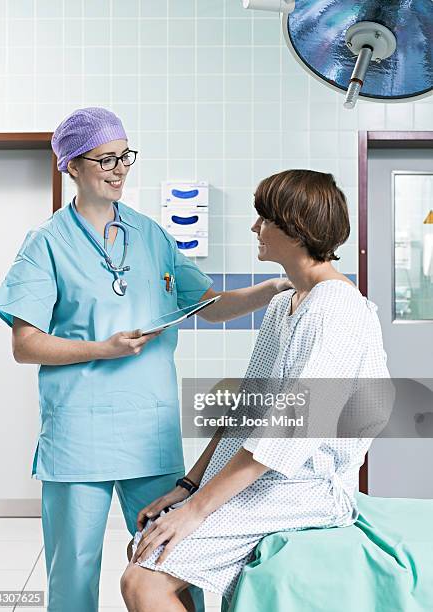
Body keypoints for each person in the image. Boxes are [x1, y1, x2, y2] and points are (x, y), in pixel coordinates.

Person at [0, 107, 292, 612]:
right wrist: (102, 349)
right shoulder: (46, 244)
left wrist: (275, 286)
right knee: (75, 571)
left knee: (171, 561)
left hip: (148, 433)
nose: (119, 168)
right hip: (78, 434)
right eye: (105, 158)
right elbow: (25, 344)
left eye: (125, 156)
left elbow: (207, 305)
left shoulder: (150, 234)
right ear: (71, 166)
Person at [121, 169, 391, 611]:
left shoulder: (341, 311)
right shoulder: (285, 303)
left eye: (263, 218)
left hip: (309, 488)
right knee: (145, 544)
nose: (254, 228)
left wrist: (197, 511)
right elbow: (248, 410)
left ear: (296, 229)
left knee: (143, 580)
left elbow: (286, 437)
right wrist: (190, 487)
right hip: (267, 478)